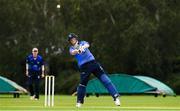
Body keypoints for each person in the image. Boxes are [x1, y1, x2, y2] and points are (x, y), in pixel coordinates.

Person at [68, 33, 121, 108]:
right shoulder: (71, 48)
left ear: (76, 39)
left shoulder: (82, 42)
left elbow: (87, 45)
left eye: (73, 39)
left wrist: (82, 47)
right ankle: (79, 102)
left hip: (93, 63)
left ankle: (116, 97)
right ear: (70, 41)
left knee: (105, 80)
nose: (73, 40)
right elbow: (72, 52)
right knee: (83, 84)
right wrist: (77, 50)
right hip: (84, 67)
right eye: (71, 40)